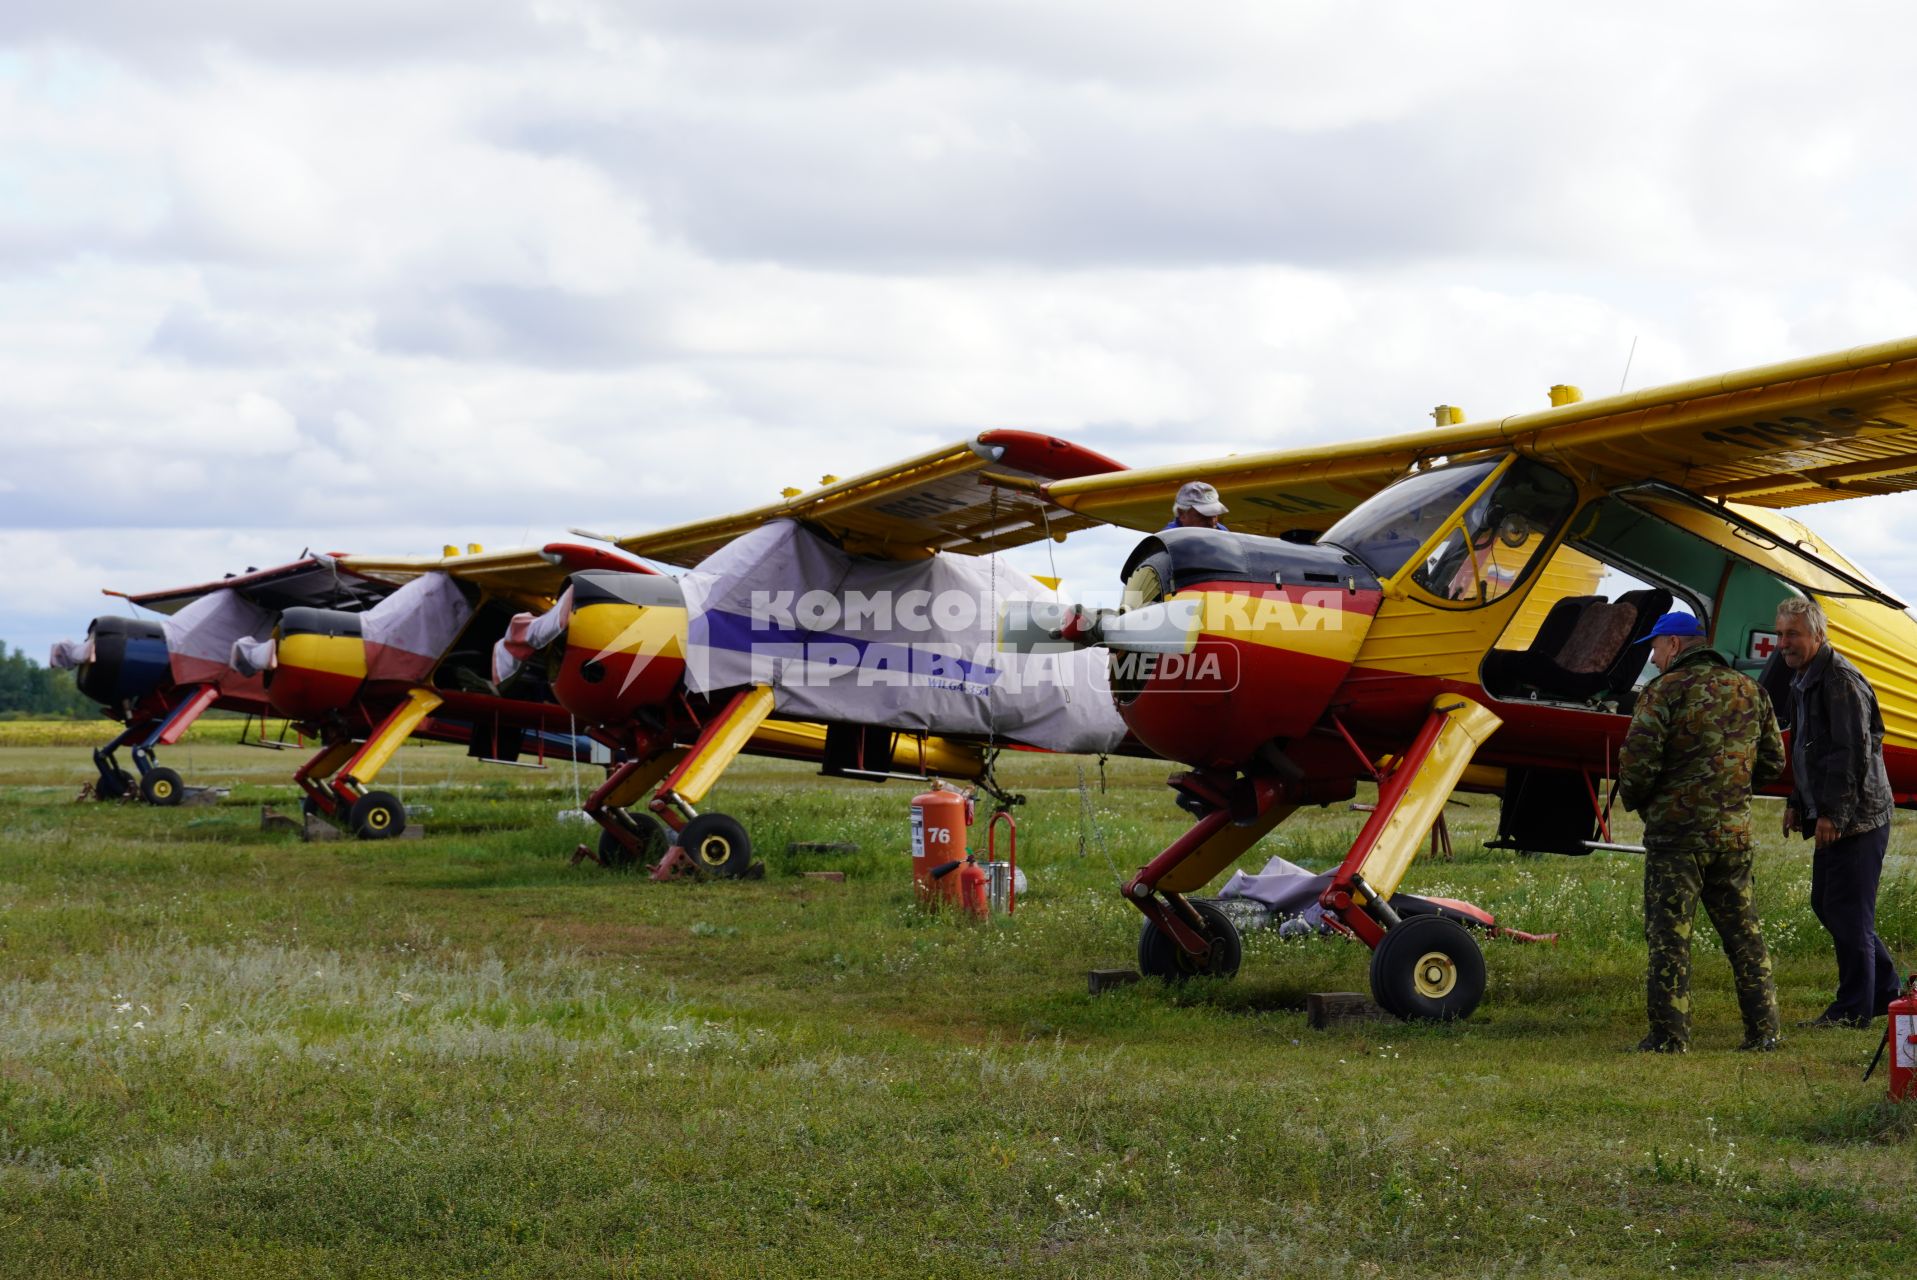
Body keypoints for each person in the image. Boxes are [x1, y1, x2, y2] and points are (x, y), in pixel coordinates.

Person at [1617, 610, 1785, 1052]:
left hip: (1677, 839)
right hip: (1733, 838)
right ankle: (1764, 1033)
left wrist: (1645, 803)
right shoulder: (1751, 690)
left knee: (1670, 938)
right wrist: (1728, 795)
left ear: (1674, 644)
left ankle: (1669, 1038)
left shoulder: (1664, 691)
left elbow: (1637, 763)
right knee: (1745, 937)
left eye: (1655, 647)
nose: (1653, 659)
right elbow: (1773, 762)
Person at [1774, 597, 1901, 1029]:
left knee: (1848, 912)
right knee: (1828, 905)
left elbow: (1852, 754)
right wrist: (1796, 802)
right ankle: (1884, 991)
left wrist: (1831, 814)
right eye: (1780, 633)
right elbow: (1809, 747)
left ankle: (1852, 1011)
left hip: (1858, 819)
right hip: (1836, 814)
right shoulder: (1804, 677)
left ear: (1818, 636)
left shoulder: (1840, 680)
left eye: (1793, 634)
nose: (1783, 643)